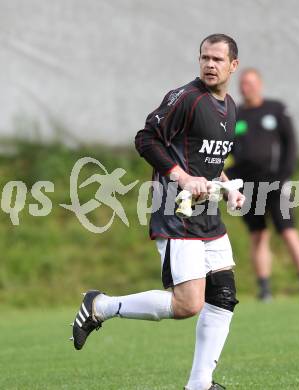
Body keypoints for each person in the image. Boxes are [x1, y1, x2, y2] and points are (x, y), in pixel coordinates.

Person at [71, 34, 245, 390]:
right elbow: (146, 138)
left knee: (223, 295)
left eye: (216, 59)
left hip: (208, 214)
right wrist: (179, 176)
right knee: (187, 305)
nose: (209, 65)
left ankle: (200, 384)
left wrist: (227, 187)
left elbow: (206, 159)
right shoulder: (186, 98)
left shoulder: (230, 107)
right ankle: (101, 305)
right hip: (176, 212)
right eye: (204, 58)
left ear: (233, 65)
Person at [226, 68, 299, 301]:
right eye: (243, 83)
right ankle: (264, 288)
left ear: (260, 85)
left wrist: (284, 175)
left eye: (251, 83)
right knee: (258, 235)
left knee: (288, 231)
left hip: (275, 183)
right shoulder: (234, 114)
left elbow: (291, 144)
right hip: (247, 186)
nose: (247, 87)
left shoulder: (275, 109)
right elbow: (226, 149)